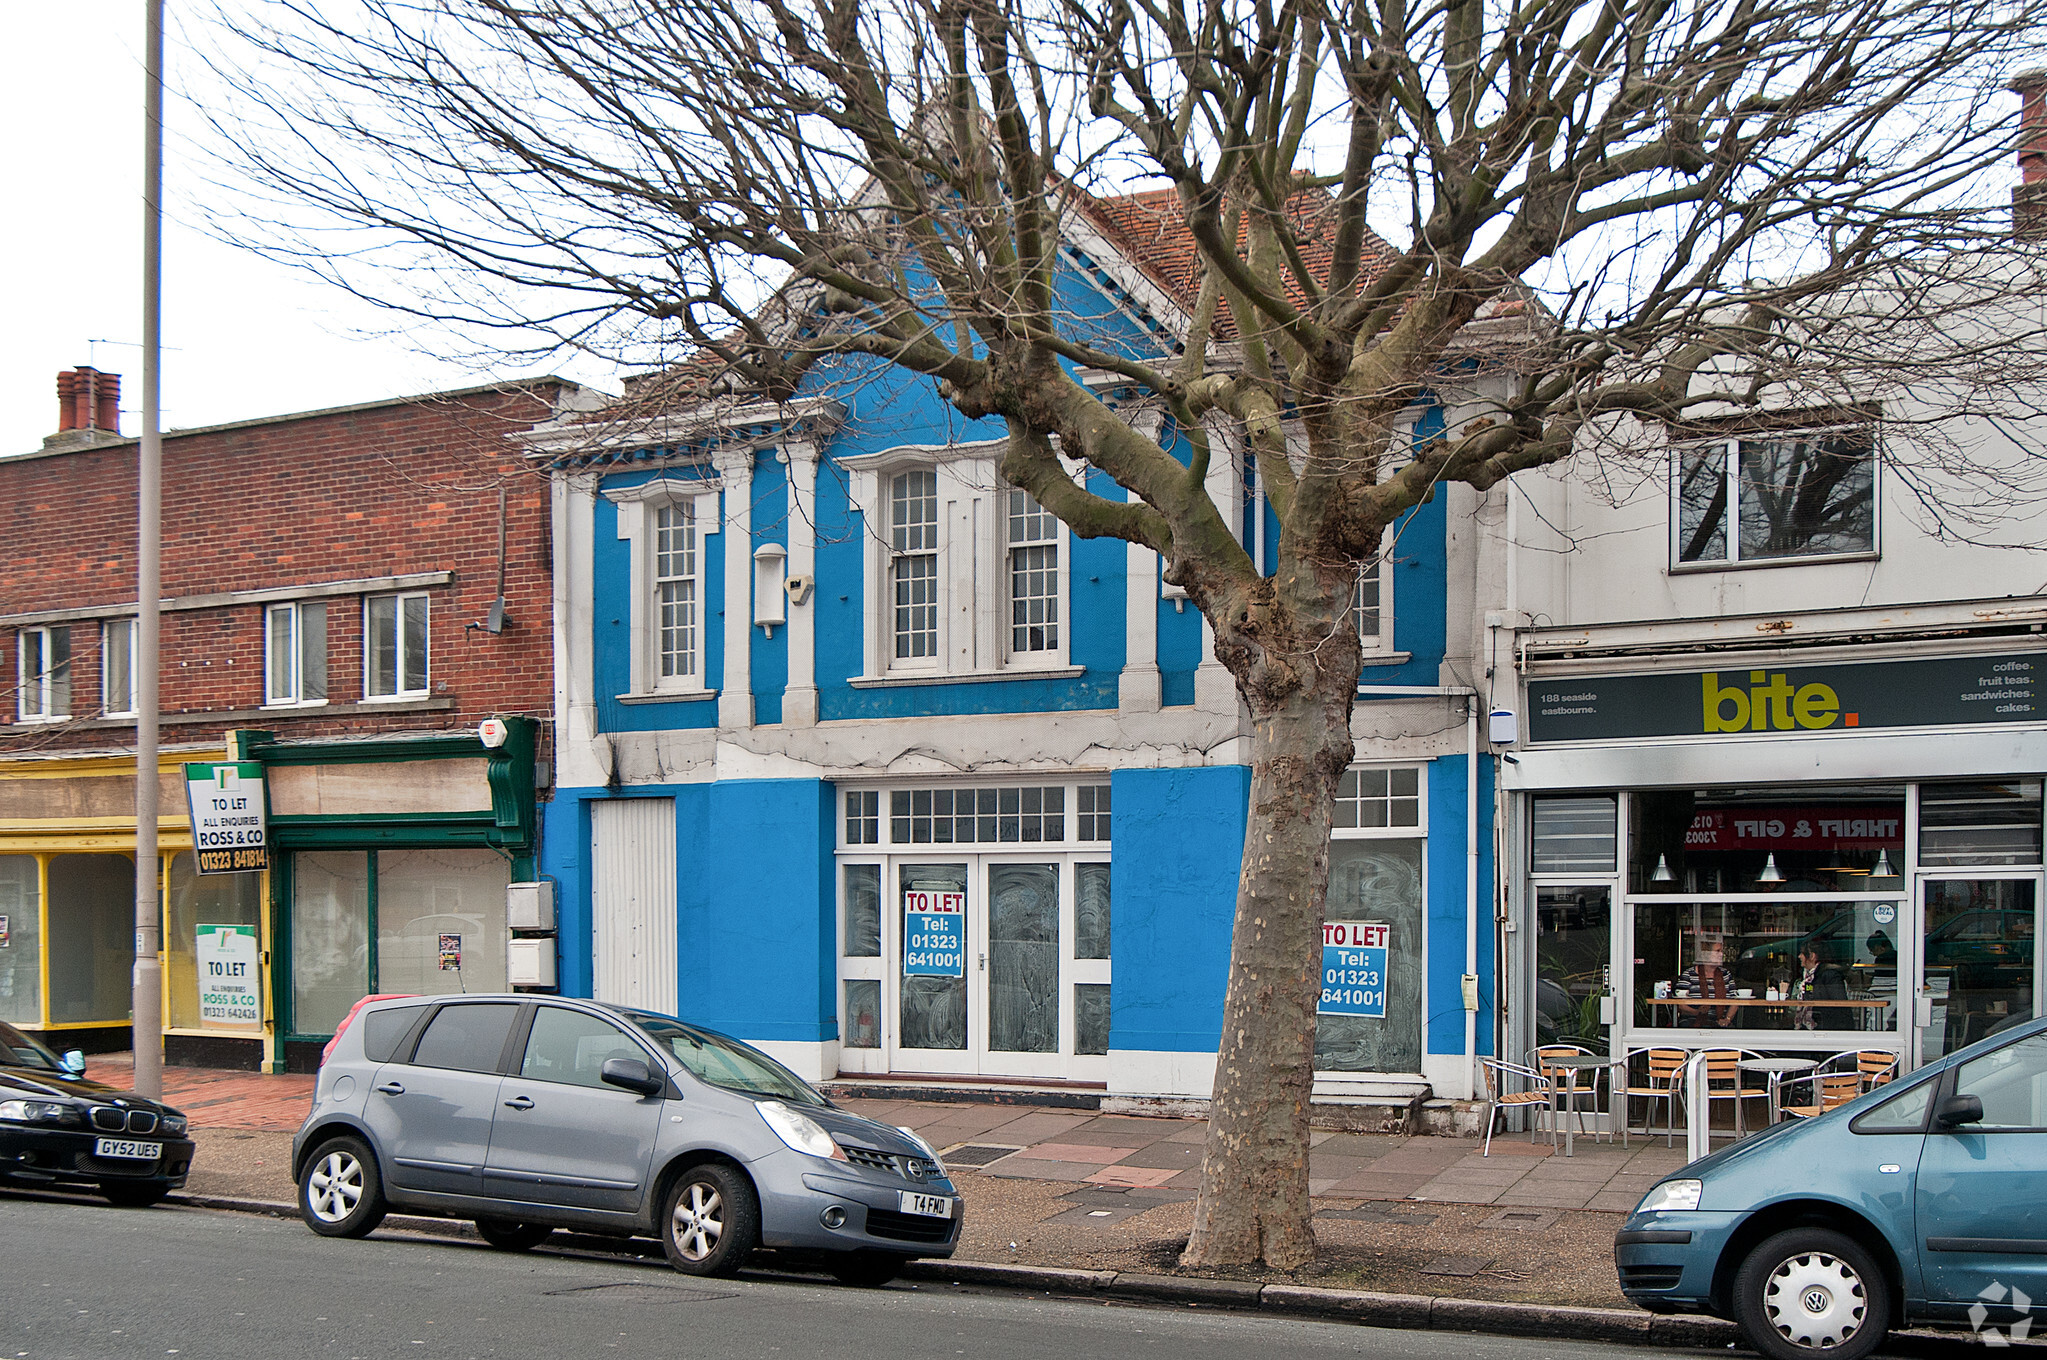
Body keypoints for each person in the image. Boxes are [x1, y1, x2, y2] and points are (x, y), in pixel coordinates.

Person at [1675, 936, 1738, 1028]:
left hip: (1720, 1022)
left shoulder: (1726, 975)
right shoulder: (1689, 975)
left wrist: (1727, 1019)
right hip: (1692, 1021)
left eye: (1721, 951)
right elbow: (1679, 1003)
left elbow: (1735, 1001)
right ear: (1706, 954)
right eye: (1717, 951)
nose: (1721, 954)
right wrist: (1696, 1012)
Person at [1792, 943, 1851, 1031]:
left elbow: (1839, 1005)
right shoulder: (1806, 976)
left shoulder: (1830, 975)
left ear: (1812, 956)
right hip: (1812, 1027)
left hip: (1828, 1030)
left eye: (1802, 953)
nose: (1799, 956)